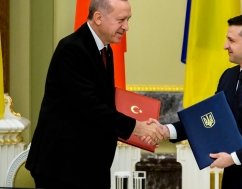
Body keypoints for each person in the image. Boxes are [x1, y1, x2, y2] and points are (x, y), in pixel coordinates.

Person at [25, 0, 164, 188]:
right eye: (121, 20)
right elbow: (90, 106)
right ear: (98, 18)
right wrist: (137, 128)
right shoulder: (72, 49)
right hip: (63, 167)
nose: (126, 27)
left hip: (89, 165)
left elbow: (104, 102)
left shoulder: (105, 50)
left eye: (128, 20)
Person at [150, 13, 242, 189]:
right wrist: (167, 130)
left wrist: (234, 158)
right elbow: (210, 118)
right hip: (233, 181)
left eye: (231, 40)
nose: (225, 46)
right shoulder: (229, 76)